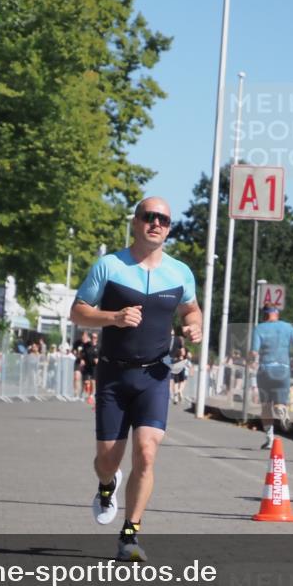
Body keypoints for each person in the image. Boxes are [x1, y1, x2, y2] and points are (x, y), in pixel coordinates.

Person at [70, 197, 201, 562]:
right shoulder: (109, 266)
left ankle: (130, 533)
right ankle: (106, 485)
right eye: (149, 217)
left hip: (155, 375)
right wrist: (113, 318)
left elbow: (191, 309)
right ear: (136, 222)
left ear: (169, 228)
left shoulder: (180, 272)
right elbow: (78, 311)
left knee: (146, 452)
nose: (156, 223)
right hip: (113, 373)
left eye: (163, 219)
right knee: (108, 460)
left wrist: (194, 326)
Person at [250, 306, 293, 450]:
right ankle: (281, 410)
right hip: (283, 369)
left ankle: (269, 439)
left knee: (266, 405)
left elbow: (254, 352)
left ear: (265, 315)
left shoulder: (259, 328)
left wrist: (250, 361)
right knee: (280, 403)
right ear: (277, 314)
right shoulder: (287, 327)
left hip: (266, 369)